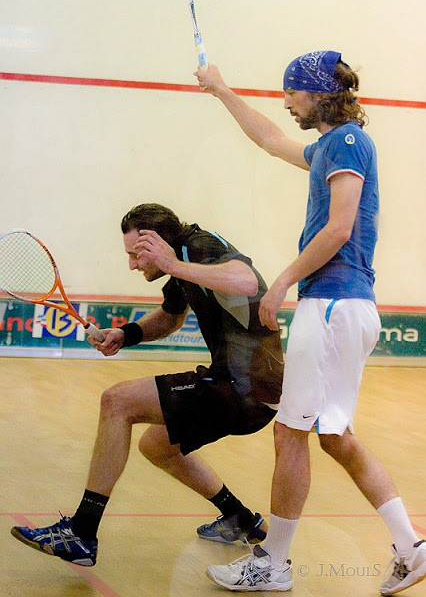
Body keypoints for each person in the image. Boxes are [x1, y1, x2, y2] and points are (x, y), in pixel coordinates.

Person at [195, 51, 426, 595]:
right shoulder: (331, 145)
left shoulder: (346, 140)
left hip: (331, 305)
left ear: (320, 93)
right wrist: (221, 90)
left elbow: (339, 227)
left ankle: (272, 563)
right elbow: (271, 139)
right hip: (344, 307)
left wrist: (281, 282)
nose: (286, 102)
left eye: (292, 92)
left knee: (290, 431)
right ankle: (412, 546)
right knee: (335, 436)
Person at [10, 203, 284, 566]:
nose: (133, 265)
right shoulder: (182, 264)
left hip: (244, 388)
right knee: (157, 446)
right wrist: (127, 334)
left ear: (158, 243)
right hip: (245, 389)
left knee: (117, 401)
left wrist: (172, 264)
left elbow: (247, 282)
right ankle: (239, 518)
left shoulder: (199, 247)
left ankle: (81, 532)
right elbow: (170, 318)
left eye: (135, 255)